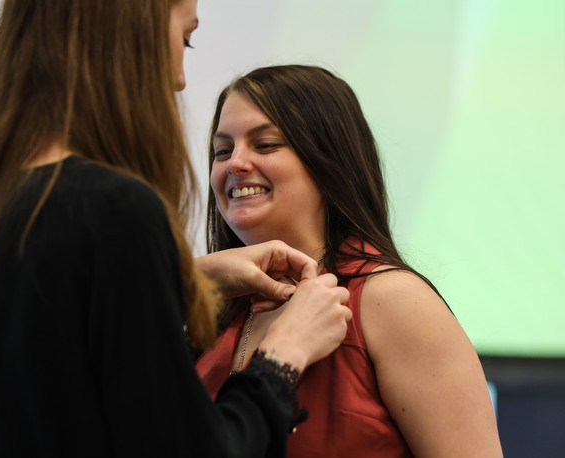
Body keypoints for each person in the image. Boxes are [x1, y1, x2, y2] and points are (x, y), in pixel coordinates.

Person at [0, 2, 352, 457]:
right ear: (131, 34)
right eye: (184, 38)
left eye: (265, 144)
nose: (180, 78)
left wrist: (181, 276)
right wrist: (283, 355)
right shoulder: (117, 208)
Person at [196, 65, 503, 457]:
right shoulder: (208, 309)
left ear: (328, 162)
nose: (235, 163)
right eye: (222, 151)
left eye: (266, 144)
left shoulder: (391, 299)